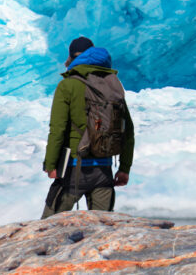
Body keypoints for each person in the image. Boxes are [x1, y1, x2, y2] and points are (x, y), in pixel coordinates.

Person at [42, 37, 135, 218]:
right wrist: (124, 168)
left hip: (73, 170)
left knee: (46, 228)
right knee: (102, 232)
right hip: (104, 170)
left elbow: (58, 129)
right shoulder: (112, 83)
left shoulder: (68, 85)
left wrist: (51, 164)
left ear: (71, 57)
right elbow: (128, 130)